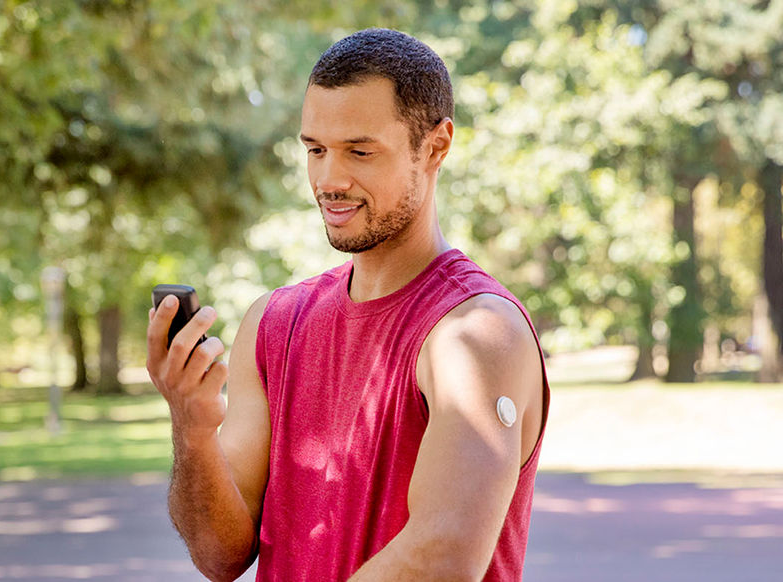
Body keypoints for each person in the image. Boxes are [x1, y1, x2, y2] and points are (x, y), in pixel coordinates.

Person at [147, 28, 549, 582]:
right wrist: (191, 430)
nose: (329, 179)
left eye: (359, 151)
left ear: (435, 147)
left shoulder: (476, 332)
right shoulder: (274, 325)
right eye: (315, 150)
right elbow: (220, 555)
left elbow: (445, 557)